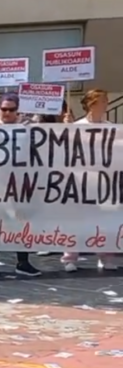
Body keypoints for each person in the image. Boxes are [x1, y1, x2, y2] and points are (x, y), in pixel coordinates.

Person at [0, 93, 41, 278]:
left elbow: (40, 143)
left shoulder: (26, 125)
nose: (7, 113)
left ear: (18, 110)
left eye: (11, 110)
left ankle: (23, 262)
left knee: (22, 221)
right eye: (4, 109)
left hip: (20, 182)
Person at [62, 89, 117, 272]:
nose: (106, 105)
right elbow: (66, 150)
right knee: (76, 220)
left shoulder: (110, 127)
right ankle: (70, 257)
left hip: (104, 181)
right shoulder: (78, 126)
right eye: (103, 101)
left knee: (105, 220)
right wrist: (66, 130)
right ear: (92, 104)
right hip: (80, 180)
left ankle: (106, 256)